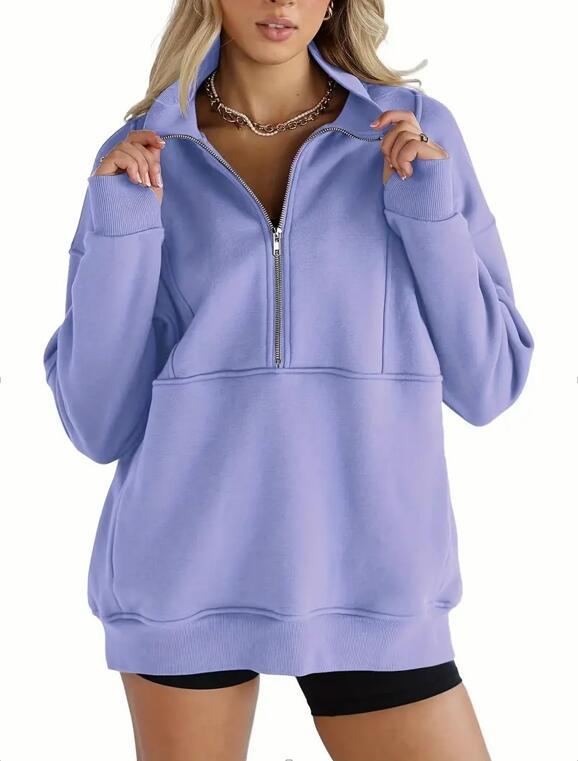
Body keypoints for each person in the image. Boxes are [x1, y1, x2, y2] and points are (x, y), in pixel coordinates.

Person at [42, 0, 534, 758]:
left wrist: (429, 215)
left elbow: (489, 381)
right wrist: (122, 230)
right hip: (184, 575)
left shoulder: (411, 131)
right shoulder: (144, 151)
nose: (281, 2)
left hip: (372, 580)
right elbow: (96, 421)